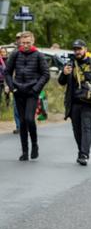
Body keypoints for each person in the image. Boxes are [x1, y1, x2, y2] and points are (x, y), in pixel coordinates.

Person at [4, 31, 50, 161]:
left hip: (32, 92)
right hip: (19, 91)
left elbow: (46, 74)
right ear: (20, 43)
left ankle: (34, 144)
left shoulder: (38, 55)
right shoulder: (15, 54)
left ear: (33, 42)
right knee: (22, 122)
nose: (25, 45)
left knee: (30, 119)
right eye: (23, 43)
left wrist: (36, 89)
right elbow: (7, 72)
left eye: (28, 43)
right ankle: (25, 151)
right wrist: (13, 88)